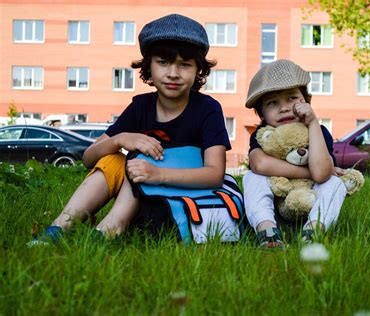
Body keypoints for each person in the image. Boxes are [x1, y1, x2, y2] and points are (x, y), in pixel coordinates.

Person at [29, 13, 235, 246]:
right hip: (141, 197)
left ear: (199, 69)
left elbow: (215, 174)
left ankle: (107, 231)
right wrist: (121, 139)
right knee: (114, 161)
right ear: (149, 65)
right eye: (163, 62)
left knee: (141, 162)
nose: (173, 73)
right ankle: (59, 228)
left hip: (178, 200)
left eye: (185, 64)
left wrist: (158, 174)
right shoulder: (141, 106)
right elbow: (89, 158)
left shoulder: (207, 109)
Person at [243, 59, 348, 248]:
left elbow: (322, 174)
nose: (284, 107)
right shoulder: (263, 135)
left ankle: (313, 232)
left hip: (310, 205)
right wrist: (311, 172)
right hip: (276, 209)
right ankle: (267, 232)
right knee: (252, 177)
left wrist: (313, 123)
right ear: (262, 114)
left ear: (306, 101)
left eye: (292, 98)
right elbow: (260, 165)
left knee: (334, 183)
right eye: (272, 103)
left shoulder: (318, 131)